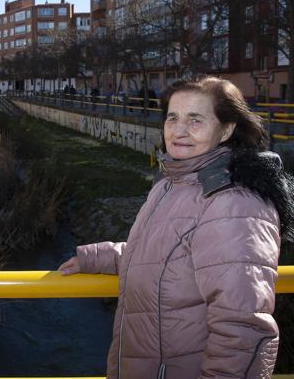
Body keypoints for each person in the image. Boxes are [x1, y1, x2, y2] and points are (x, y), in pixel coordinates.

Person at [59, 76, 294, 379]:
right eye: (173, 118)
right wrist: (100, 257)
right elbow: (169, 256)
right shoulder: (173, 183)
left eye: (195, 120)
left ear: (227, 129)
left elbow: (243, 330)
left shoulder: (235, 205)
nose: (179, 130)